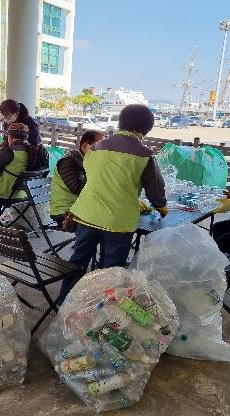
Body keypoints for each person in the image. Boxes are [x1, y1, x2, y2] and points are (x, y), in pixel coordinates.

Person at [60, 105, 168, 299]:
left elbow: (94, 176)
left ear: (121, 123)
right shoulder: (145, 155)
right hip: (117, 222)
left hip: (86, 215)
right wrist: (161, 205)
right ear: (145, 128)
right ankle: (104, 310)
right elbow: (155, 190)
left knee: (77, 261)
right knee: (111, 270)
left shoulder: (95, 148)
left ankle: (63, 303)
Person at [49, 130, 103, 227]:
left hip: (79, 208)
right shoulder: (69, 162)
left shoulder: (83, 160)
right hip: (65, 212)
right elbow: (77, 189)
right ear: (85, 146)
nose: (102, 151)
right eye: (98, 147)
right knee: (105, 224)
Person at [0, 99, 48, 170]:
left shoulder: (30, 123)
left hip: (29, 156)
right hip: (14, 155)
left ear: (16, 113)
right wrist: (0, 146)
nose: (5, 118)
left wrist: (12, 151)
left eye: (7, 115)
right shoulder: (8, 122)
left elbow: (34, 143)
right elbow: (6, 138)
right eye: (3, 115)